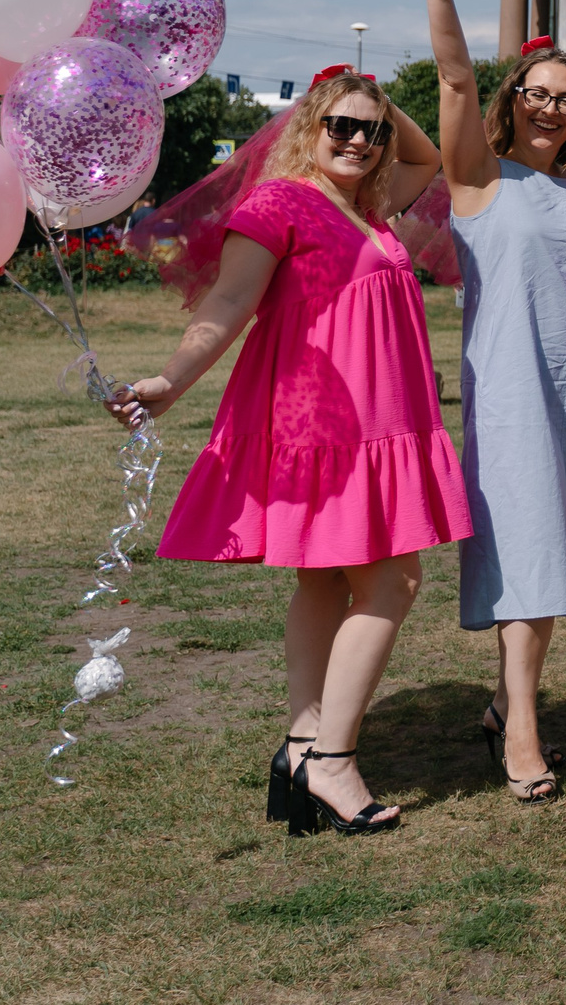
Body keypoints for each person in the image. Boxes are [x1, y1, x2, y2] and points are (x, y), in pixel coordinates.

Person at [112, 67, 463, 835]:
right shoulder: (280, 201)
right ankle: (332, 758)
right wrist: (172, 380)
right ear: (309, 126)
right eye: (341, 125)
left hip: (377, 421)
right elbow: (229, 301)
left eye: (371, 130)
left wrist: (370, 93)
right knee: (394, 582)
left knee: (327, 583)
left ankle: (302, 744)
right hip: (327, 426)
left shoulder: (371, 205)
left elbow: (426, 155)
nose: (362, 141)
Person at [404, 0, 566, 803]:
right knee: (529, 552)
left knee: (555, 549)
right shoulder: (478, 174)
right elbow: (456, 83)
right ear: (515, 103)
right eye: (536, 92)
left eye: (565, 96)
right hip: (508, 389)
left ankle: (509, 702)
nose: (549, 104)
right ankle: (526, 733)